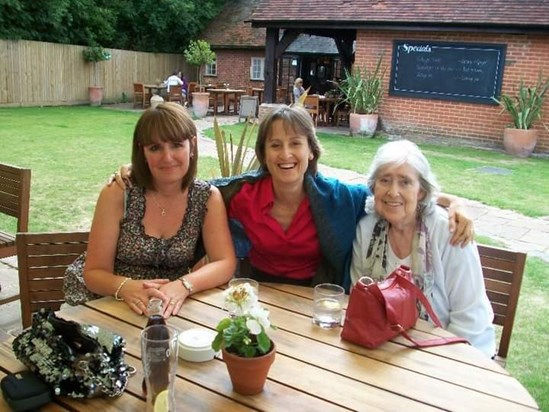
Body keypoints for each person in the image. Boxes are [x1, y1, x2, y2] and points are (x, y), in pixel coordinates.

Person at [112, 105, 473, 290]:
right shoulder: (240, 193)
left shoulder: (337, 197)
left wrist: (452, 202)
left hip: (314, 299)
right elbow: (186, 183)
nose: (286, 154)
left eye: (295, 143)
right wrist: (136, 173)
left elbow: (390, 193)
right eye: (276, 145)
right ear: (264, 155)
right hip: (254, 295)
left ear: (311, 152)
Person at [63, 103, 236, 317]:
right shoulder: (119, 193)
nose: (167, 157)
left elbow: (225, 262)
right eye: (155, 148)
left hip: (167, 304)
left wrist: (184, 284)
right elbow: (94, 273)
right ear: (142, 151)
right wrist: (126, 286)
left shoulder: (207, 197)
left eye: (176, 145)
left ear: (192, 145)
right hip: (107, 300)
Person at [350, 140, 495, 357]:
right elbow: (359, 297)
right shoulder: (367, 228)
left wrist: (443, 364)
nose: (393, 191)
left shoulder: (448, 231)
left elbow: (470, 318)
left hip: (456, 350)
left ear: (421, 192)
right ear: (373, 187)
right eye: (385, 180)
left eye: (405, 182)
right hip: (388, 348)